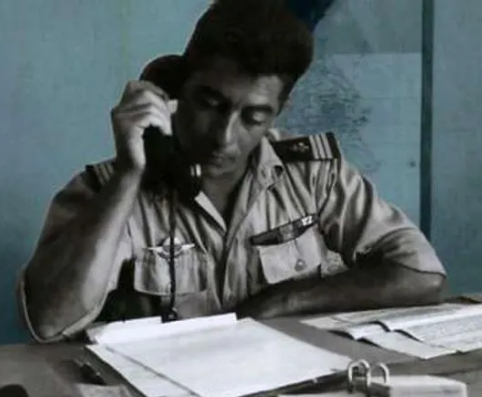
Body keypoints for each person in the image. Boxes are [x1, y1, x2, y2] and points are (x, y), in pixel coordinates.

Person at [18, 0, 446, 343]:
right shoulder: (102, 191)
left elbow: (421, 274)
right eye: (210, 104)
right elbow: (49, 323)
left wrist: (285, 300)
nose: (224, 137)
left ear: (279, 111)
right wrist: (129, 175)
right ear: (174, 89)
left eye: (253, 117)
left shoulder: (315, 175)